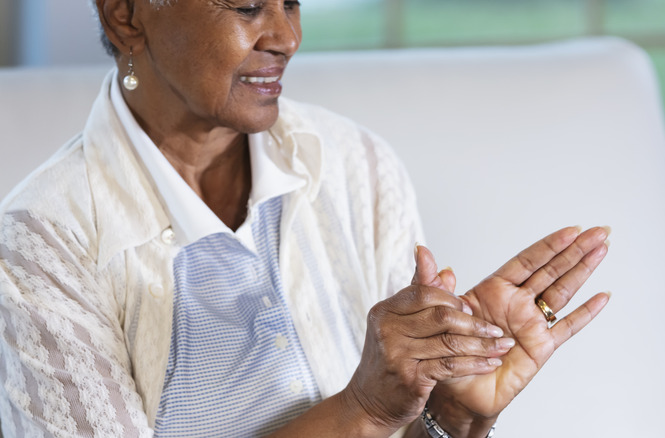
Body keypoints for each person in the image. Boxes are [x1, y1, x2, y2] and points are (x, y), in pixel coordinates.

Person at [0, 0, 610, 437]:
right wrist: (363, 409)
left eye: (290, 2)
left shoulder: (357, 166)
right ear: (126, 16)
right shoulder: (42, 242)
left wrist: (450, 412)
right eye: (246, 7)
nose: (286, 36)